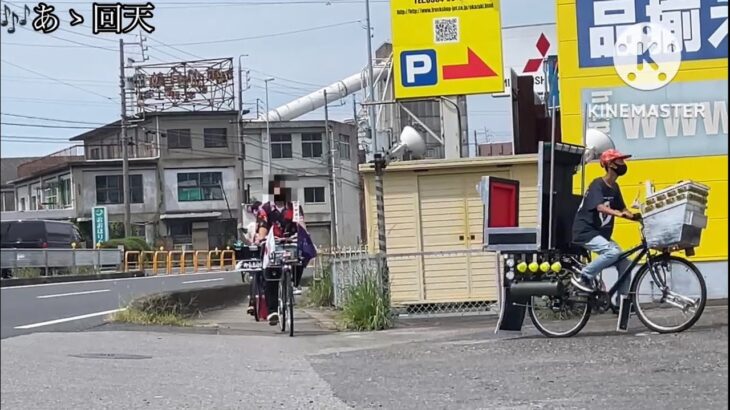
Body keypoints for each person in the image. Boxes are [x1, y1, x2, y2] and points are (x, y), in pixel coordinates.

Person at [570, 148, 637, 304]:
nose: (623, 164)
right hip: (585, 232)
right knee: (612, 252)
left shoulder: (615, 188)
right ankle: (585, 275)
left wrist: (637, 216)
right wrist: (618, 213)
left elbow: (623, 209)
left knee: (625, 262)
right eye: (619, 161)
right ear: (610, 164)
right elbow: (599, 206)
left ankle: (622, 303)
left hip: (600, 235)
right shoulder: (597, 184)